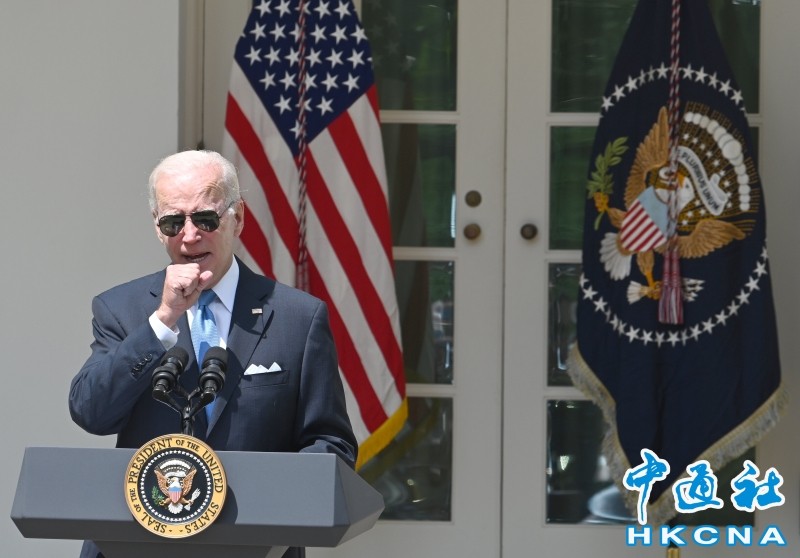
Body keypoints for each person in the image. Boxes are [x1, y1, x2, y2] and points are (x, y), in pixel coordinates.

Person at [69, 150, 357, 558]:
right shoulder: (121, 309)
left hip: (257, 545)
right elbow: (91, 412)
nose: (189, 236)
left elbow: (331, 444)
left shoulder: (298, 318)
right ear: (157, 228)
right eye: (173, 222)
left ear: (238, 218)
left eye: (205, 218)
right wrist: (162, 320)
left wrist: (269, 500)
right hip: (137, 545)